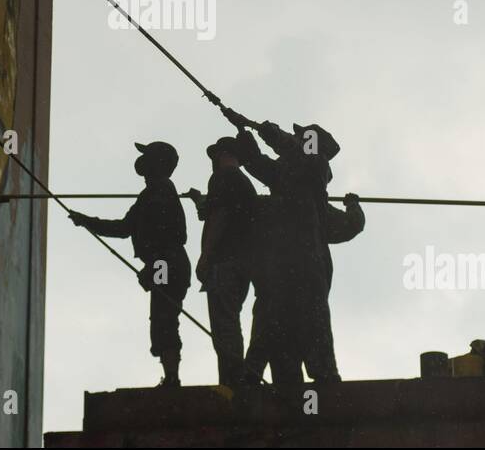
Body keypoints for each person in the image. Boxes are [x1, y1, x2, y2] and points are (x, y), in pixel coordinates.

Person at [225, 110, 364, 385]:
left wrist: (269, 135)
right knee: (280, 318)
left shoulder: (311, 168)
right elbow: (260, 164)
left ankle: (311, 374)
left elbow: (283, 162)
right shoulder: (297, 182)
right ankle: (266, 373)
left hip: (301, 263)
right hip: (291, 264)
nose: (298, 139)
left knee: (291, 317)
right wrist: (246, 134)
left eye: (302, 137)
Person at [69, 141, 191, 387]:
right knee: (162, 318)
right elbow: (124, 228)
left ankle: (171, 379)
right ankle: (170, 377)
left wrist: (154, 267)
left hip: (166, 262)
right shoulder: (152, 193)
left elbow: (162, 235)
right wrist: (87, 221)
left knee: (164, 318)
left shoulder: (160, 191)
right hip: (166, 263)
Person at [187, 136, 258, 387]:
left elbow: (219, 215)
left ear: (221, 154)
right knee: (230, 321)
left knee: (224, 325)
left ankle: (233, 382)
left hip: (224, 263)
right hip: (243, 264)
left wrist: (206, 256)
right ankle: (235, 377)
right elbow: (213, 208)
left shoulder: (222, 177)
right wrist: (198, 199)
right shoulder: (242, 183)